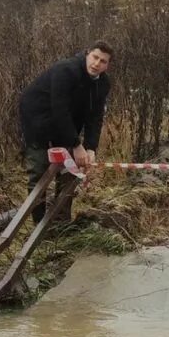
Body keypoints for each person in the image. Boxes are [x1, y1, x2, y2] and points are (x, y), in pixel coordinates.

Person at [19, 41, 113, 224]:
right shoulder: (66, 70)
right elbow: (59, 109)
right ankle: (38, 226)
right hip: (38, 119)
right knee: (39, 172)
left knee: (71, 171)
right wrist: (76, 144)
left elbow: (95, 117)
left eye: (103, 61)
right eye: (95, 57)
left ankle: (60, 223)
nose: (96, 64)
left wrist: (90, 147)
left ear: (107, 65)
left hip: (67, 123)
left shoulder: (103, 84)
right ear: (87, 54)